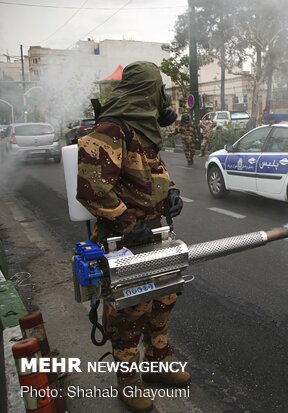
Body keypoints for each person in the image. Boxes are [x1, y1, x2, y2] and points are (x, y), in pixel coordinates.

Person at [76, 61, 189, 413]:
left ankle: (159, 359)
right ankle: (129, 381)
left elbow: (150, 170)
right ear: (147, 91)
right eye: (160, 89)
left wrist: (170, 190)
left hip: (155, 232)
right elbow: (91, 188)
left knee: (164, 298)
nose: (164, 97)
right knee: (130, 310)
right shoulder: (113, 128)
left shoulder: (143, 128)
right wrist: (125, 222)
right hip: (124, 239)